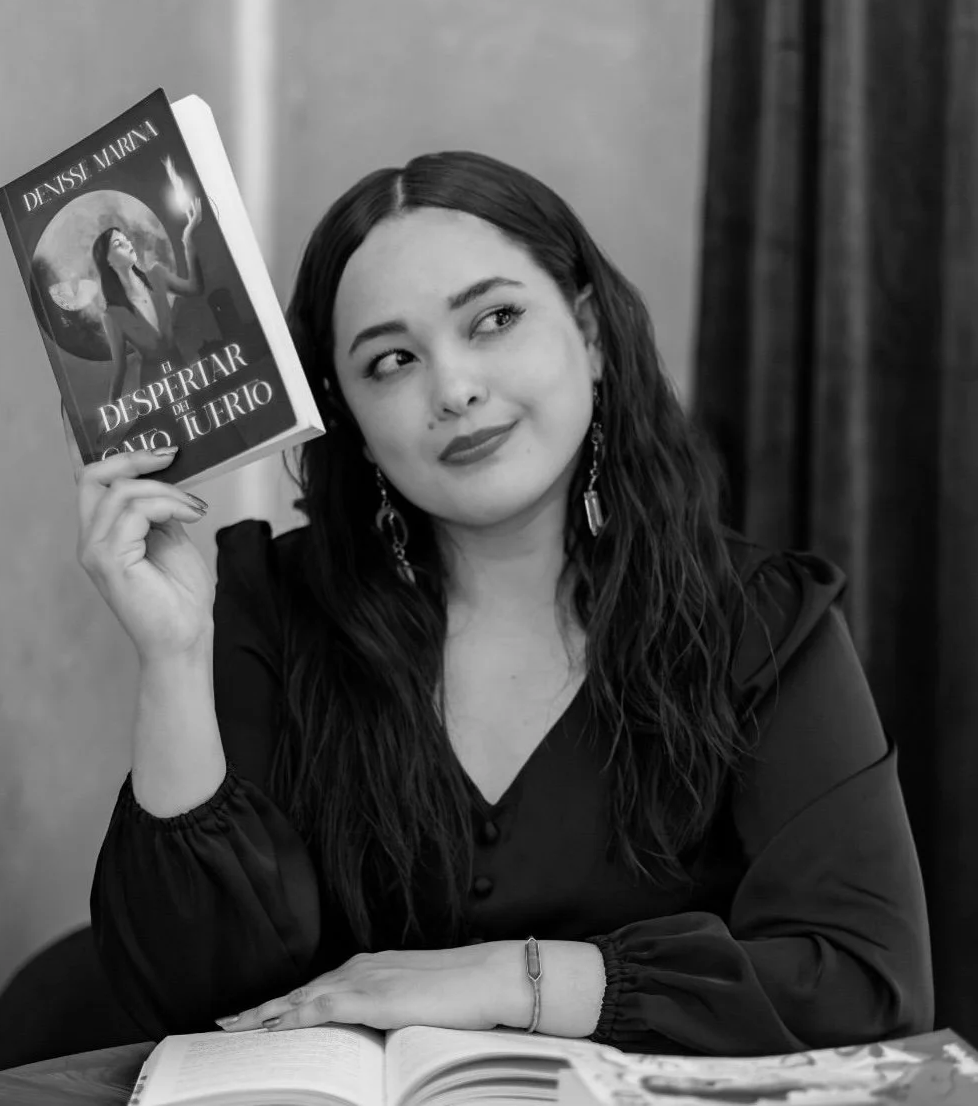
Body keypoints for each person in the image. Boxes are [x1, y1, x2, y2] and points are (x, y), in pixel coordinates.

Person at [71, 151, 933, 1056]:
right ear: (350, 418)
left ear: (590, 334)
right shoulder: (269, 606)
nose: (454, 389)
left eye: (494, 319)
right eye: (391, 360)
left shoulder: (761, 625)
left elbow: (863, 983)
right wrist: (172, 655)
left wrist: (501, 979)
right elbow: (191, 998)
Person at [91, 197, 205, 409]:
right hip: (155, 390)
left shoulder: (157, 274)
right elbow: (120, 369)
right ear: (108, 261)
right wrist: (111, 412)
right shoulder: (112, 316)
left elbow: (195, 289)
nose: (128, 244)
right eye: (118, 244)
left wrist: (188, 240)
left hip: (184, 375)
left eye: (126, 239)